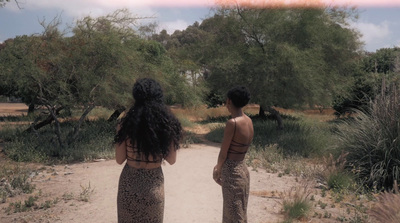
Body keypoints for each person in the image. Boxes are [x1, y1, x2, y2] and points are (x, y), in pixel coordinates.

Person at [114, 78, 182, 223]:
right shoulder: (167, 125)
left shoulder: (125, 124)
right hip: (153, 186)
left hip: (129, 185)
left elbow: (119, 160)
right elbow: (171, 160)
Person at [213, 86, 254, 223]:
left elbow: (223, 154)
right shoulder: (248, 121)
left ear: (229, 101)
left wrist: (217, 170)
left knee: (234, 216)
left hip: (232, 172)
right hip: (243, 170)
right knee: (239, 211)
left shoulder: (233, 123)